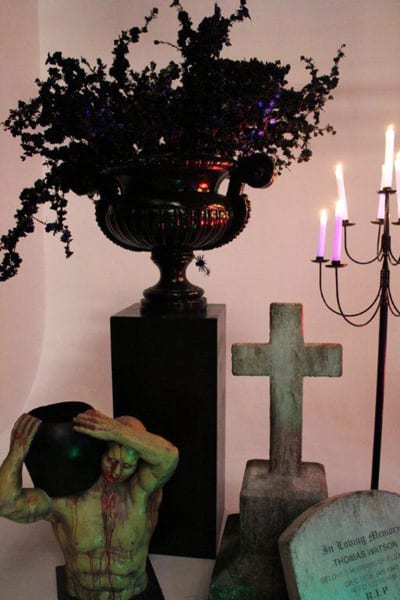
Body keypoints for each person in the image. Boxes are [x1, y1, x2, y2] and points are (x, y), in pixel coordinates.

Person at [0, 408, 179, 600]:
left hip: (134, 592)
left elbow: (169, 456)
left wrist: (116, 431)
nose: (116, 471)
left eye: (127, 465)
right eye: (111, 460)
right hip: (82, 594)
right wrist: (16, 454)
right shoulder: (67, 496)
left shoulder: (144, 493)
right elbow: (7, 505)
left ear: (140, 463)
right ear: (100, 451)